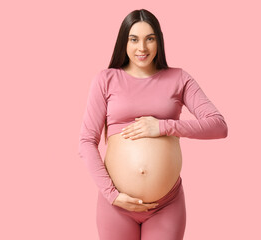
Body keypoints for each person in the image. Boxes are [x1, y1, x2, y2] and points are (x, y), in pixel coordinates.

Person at [78, 9, 228, 240]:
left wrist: (163, 127)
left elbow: (218, 126)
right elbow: (87, 141)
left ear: (159, 40)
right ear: (123, 42)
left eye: (150, 38)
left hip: (166, 205)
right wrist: (111, 195)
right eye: (134, 39)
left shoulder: (179, 78)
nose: (142, 48)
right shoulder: (106, 79)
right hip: (117, 205)